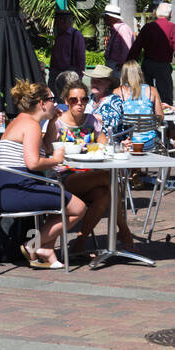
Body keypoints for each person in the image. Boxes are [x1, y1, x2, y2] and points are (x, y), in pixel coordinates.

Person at [0, 79, 84, 267]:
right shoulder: (31, 125)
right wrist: (57, 160)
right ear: (42, 103)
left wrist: (52, 122)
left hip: (10, 189)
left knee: (60, 204)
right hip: (19, 191)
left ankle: (45, 248)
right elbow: (34, 162)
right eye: (52, 99)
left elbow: (45, 148)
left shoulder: (21, 121)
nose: (56, 103)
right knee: (78, 207)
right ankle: (32, 246)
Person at [45, 81, 135, 255]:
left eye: (84, 99)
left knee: (103, 194)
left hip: (87, 176)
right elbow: (47, 149)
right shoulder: (57, 122)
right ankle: (124, 230)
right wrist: (51, 121)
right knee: (108, 178)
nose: (79, 104)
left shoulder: (91, 120)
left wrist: (120, 146)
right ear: (66, 101)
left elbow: (105, 146)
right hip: (63, 177)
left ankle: (80, 242)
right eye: (74, 100)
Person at [128, 3, 175, 105]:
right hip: (163, 66)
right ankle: (165, 113)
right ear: (170, 14)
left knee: (146, 95)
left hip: (147, 65)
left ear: (156, 13)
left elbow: (136, 48)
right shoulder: (172, 28)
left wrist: (129, 63)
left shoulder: (147, 27)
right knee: (165, 98)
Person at [116, 61, 165, 150]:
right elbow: (160, 117)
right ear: (140, 73)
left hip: (128, 143)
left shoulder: (118, 92)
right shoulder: (151, 90)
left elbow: (115, 118)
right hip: (150, 142)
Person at [48, 10, 85, 88]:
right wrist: (51, 70)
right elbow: (54, 54)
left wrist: (79, 75)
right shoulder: (59, 35)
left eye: (58, 20)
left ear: (65, 21)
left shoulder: (76, 35)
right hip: (56, 72)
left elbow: (81, 56)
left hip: (70, 72)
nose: (56, 23)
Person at [88, 65, 124, 138]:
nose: (94, 84)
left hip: (109, 140)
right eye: (93, 80)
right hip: (89, 139)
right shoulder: (89, 98)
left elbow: (113, 123)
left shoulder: (114, 100)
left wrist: (88, 117)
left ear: (108, 84)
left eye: (99, 81)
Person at [103, 5, 133, 70]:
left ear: (111, 17)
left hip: (118, 66)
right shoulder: (115, 29)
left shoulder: (123, 29)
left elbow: (127, 49)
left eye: (105, 16)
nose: (104, 19)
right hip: (114, 65)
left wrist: (122, 63)